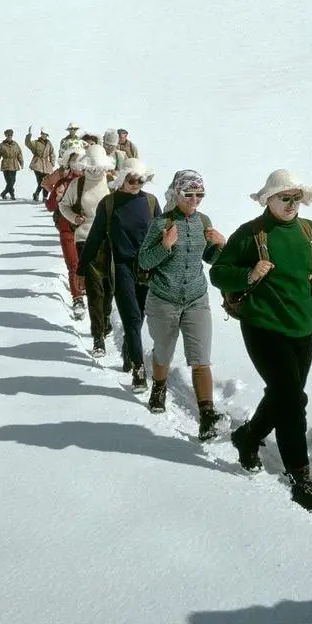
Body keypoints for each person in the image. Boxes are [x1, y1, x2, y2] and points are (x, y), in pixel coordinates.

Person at [209, 169, 312, 517]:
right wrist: (249, 274)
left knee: (285, 394)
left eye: (296, 198)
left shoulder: (311, 232)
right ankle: (301, 480)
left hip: (303, 326)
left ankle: (249, 437)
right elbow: (218, 272)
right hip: (263, 326)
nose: (292, 204)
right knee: (292, 399)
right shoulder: (252, 234)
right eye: (285, 198)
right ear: (268, 199)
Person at [138, 170, 227, 440]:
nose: (194, 199)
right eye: (189, 194)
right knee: (163, 352)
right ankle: (159, 387)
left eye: (200, 194)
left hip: (196, 298)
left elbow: (209, 257)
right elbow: (143, 262)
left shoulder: (204, 221)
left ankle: (207, 417)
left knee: (201, 358)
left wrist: (221, 245)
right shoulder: (161, 224)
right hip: (164, 299)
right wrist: (165, 245)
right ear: (177, 194)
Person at [76, 158, 159, 390]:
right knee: (131, 317)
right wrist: (81, 269)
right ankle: (139, 371)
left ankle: (128, 349)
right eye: (132, 179)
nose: (136, 184)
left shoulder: (151, 202)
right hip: (121, 267)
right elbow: (93, 238)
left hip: (147, 268)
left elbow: (162, 236)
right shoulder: (109, 204)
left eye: (141, 180)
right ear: (122, 179)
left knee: (139, 316)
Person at [58, 144, 114, 356]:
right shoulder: (77, 184)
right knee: (94, 290)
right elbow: (63, 205)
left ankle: (106, 319)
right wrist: (75, 218)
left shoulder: (112, 183)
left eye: (97, 167)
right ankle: (98, 337)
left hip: (110, 242)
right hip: (84, 240)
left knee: (109, 288)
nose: (93, 171)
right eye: (90, 166)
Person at [43, 148, 86, 316]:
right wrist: (57, 195)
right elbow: (50, 206)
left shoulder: (92, 181)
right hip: (67, 228)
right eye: (75, 160)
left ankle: (87, 293)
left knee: (85, 263)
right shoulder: (64, 182)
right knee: (74, 264)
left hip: (87, 229)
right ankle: (78, 298)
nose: (79, 164)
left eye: (81, 160)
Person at [25, 126, 56, 201]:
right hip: (37, 164)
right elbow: (28, 143)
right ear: (41, 134)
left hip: (46, 165)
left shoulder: (49, 143)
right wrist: (29, 135)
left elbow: (52, 153)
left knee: (47, 182)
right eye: (43, 134)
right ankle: (36, 194)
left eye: (45, 134)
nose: (44, 135)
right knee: (41, 182)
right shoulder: (36, 142)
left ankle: (44, 197)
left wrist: (52, 163)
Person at [0, 129, 24, 199]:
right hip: (6, 165)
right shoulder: (2, 145)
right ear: (6, 136)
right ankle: (12, 195)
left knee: (13, 181)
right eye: (8, 135)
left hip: (14, 165)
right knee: (9, 182)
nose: (10, 137)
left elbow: (19, 154)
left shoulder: (15, 144)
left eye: (11, 135)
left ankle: (4, 193)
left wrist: (21, 162)